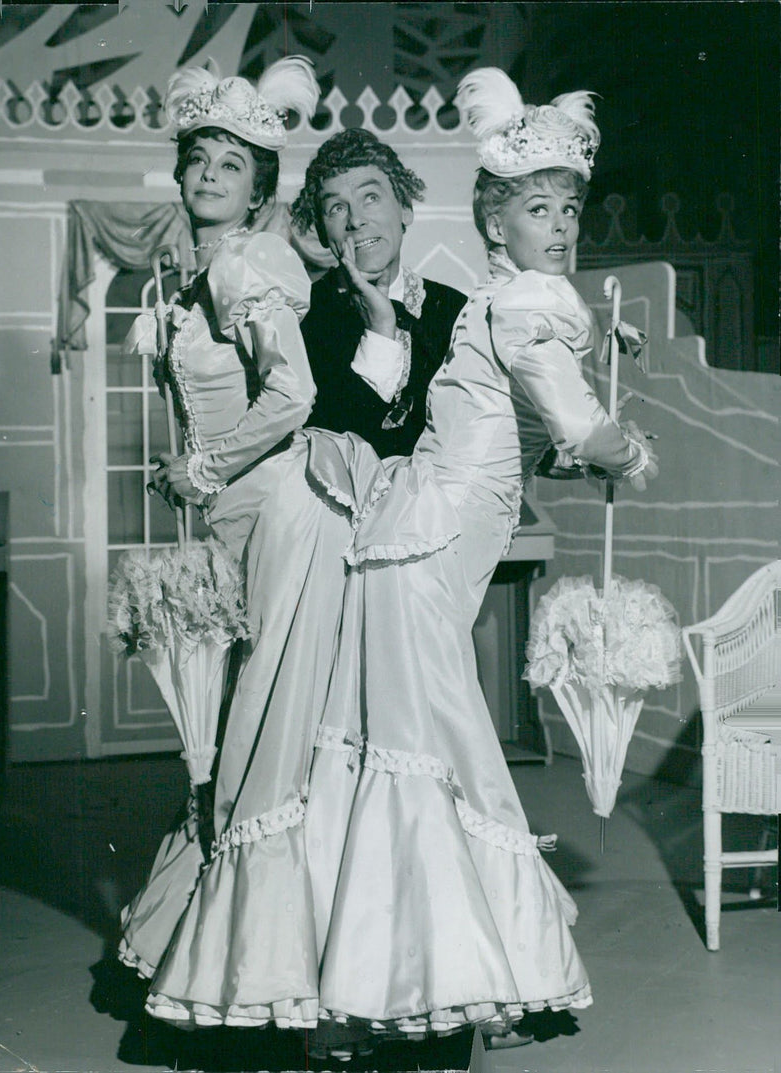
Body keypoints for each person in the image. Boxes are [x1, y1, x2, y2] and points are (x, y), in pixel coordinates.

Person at [298, 67, 657, 1055]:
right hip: (428, 534)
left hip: (425, 531)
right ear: (496, 223)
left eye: (567, 209)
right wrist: (614, 443)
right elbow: (573, 421)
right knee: (433, 741)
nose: (559, 227)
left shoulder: (497, 294)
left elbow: (513, 429)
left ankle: (414, 970)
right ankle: (417, 977)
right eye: (536, 208)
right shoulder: (523, 301)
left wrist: (579, 427)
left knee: (416, 742)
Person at [116, 59, 362, 1033]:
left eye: (235, 163)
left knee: (266, 747)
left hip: (282, 518)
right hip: (245, 525)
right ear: (180, 176)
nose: (214, 173)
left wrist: (202, 465)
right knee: (245, 744)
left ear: (259, 189)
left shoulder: (239, 265)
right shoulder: (195, 272)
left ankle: (281, 983)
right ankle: (263, 970)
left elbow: (294, 396)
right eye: (201, 158)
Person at [291, 128, 467, 459]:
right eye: (336, 209)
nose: (356, 220)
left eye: (370, 197)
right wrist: (380, 330)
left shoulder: (455, 310)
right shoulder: (302, 315)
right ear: (321, 230)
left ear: (405, 210)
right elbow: (329, 443)